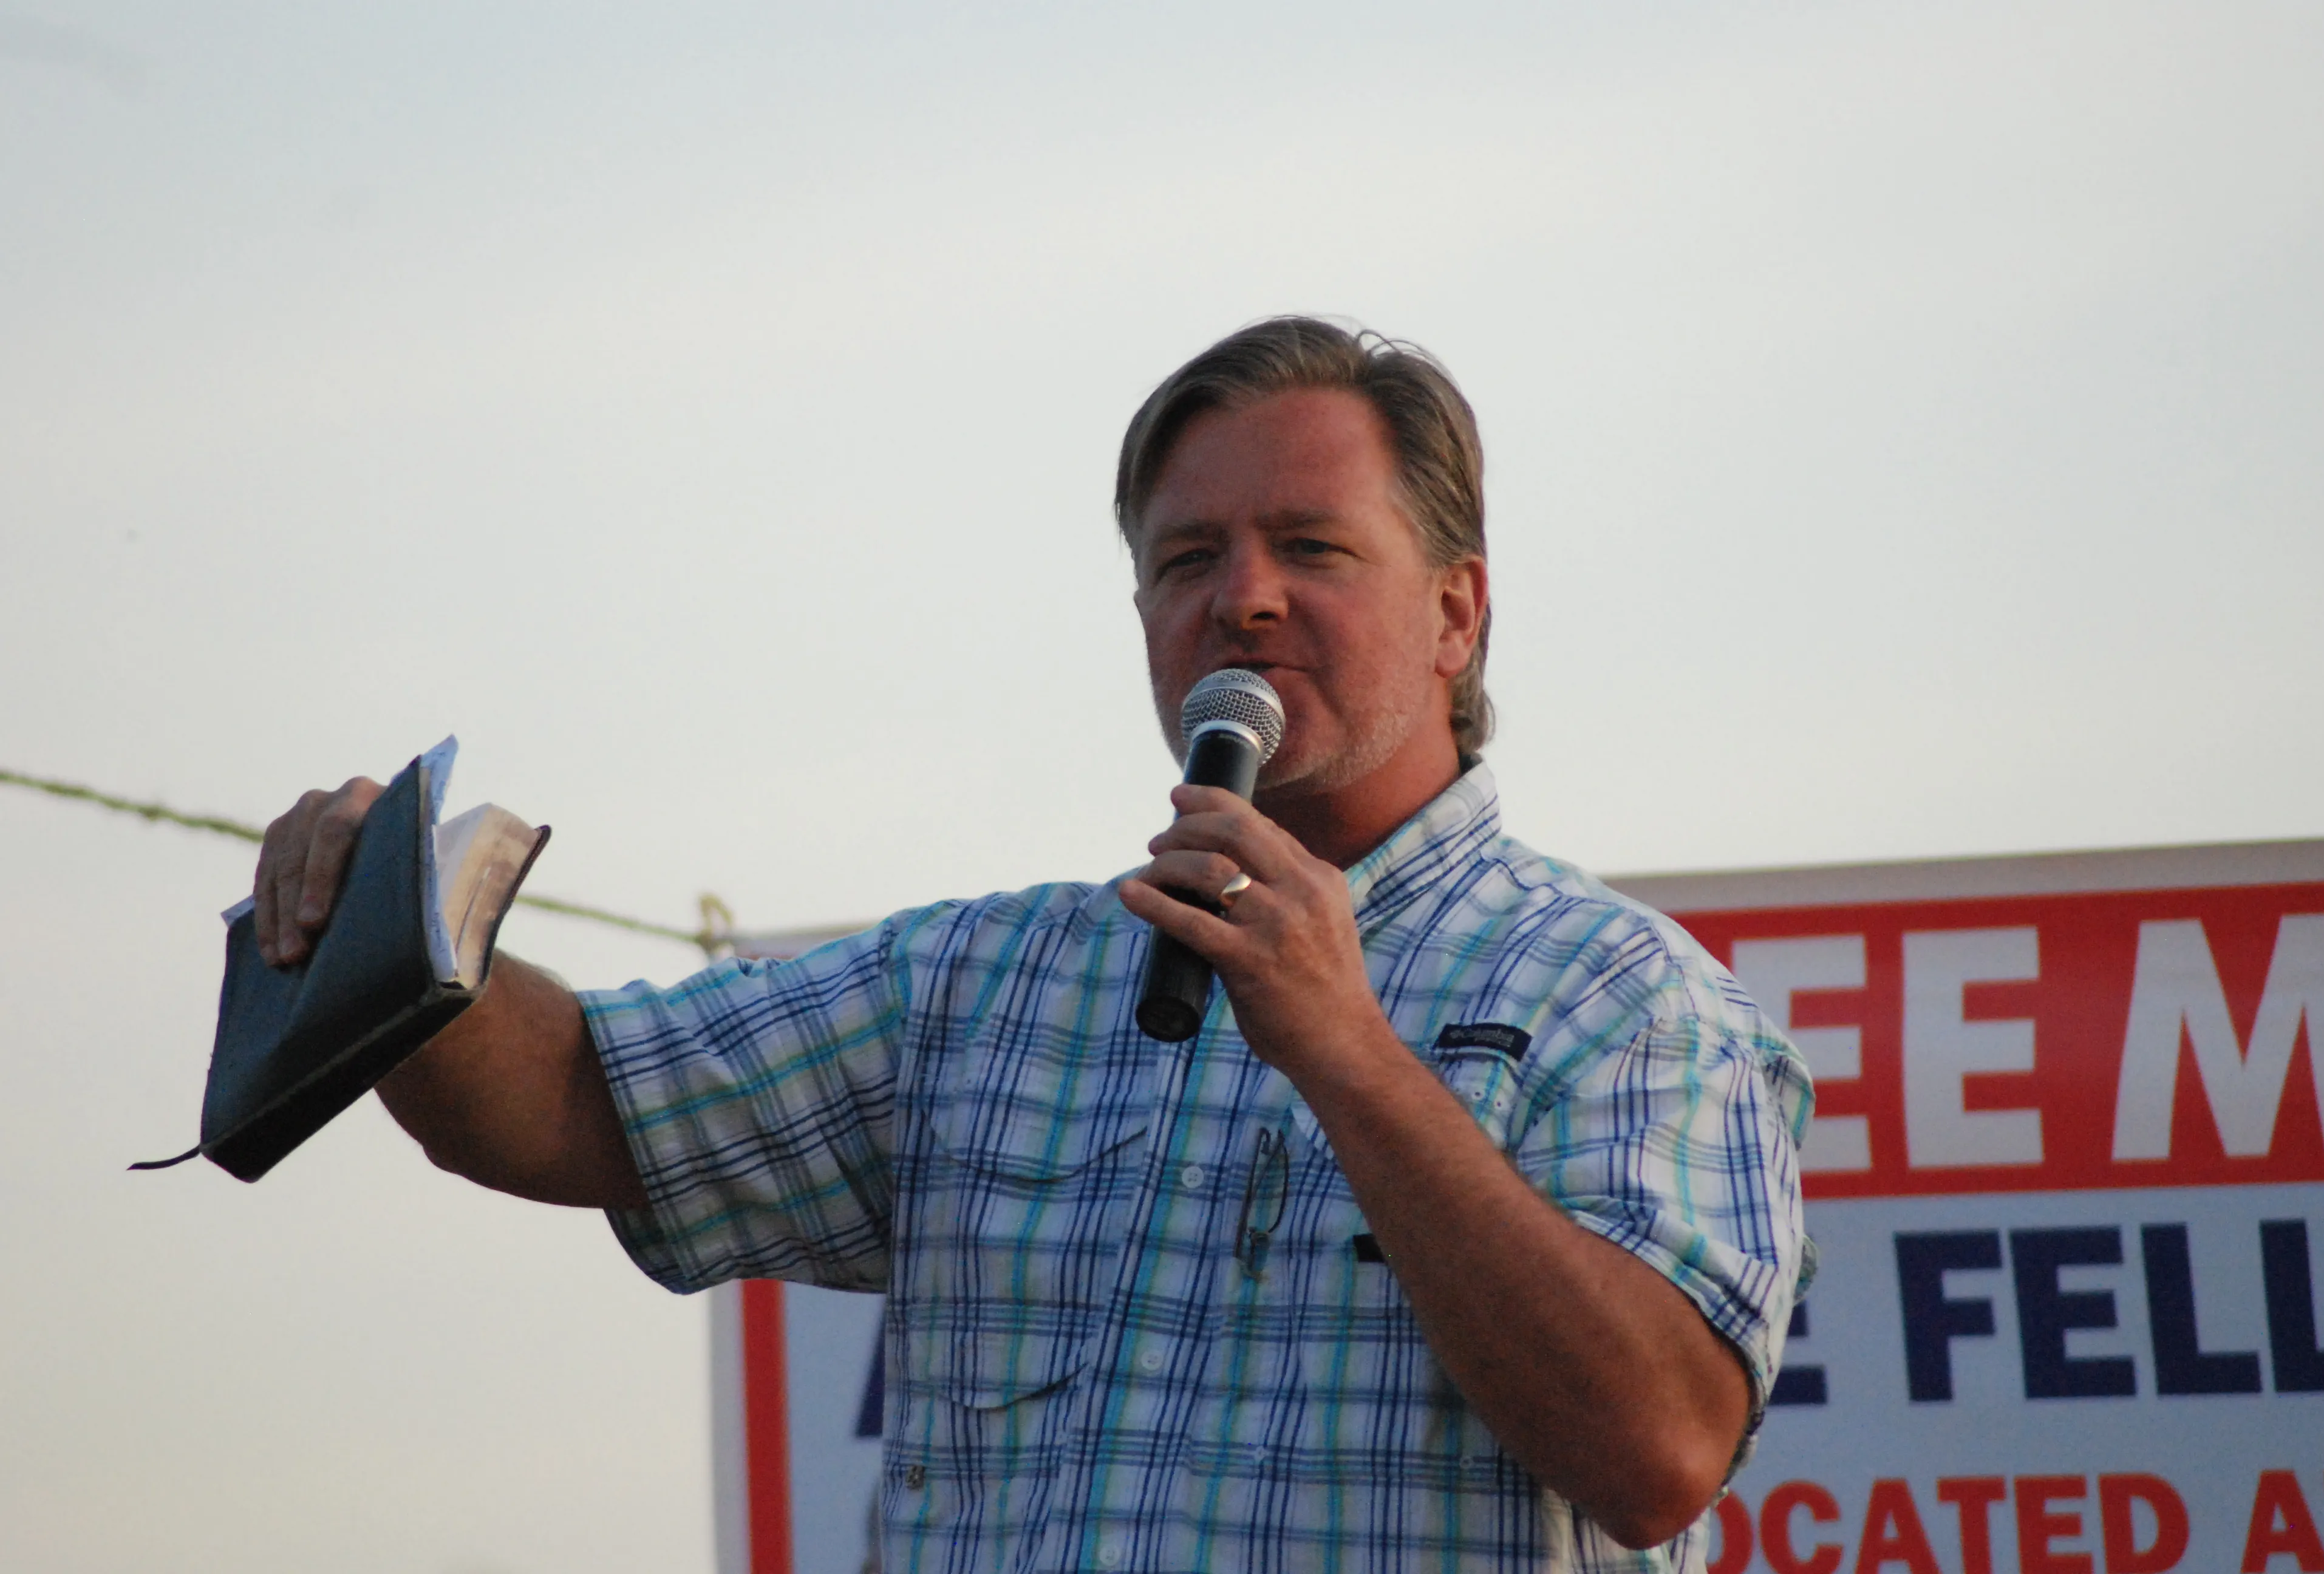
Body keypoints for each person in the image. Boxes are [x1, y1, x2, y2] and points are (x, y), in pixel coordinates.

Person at [254, 317, 1813, 1572]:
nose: (1243, 600)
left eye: (1311, 549)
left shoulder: (1625, 998)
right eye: (1188, 559)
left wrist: (1348, 1053)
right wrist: (383, 924)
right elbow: (581, 1105)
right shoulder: (983, 988)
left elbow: (1658, 1451)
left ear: (1456, 615)